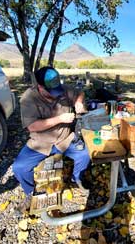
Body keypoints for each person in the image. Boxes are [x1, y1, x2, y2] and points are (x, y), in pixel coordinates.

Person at [13, 66, 90, 213]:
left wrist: (79, 102)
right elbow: (32, 126)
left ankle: (76, 181)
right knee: (19, 168)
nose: (55, 95)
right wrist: (60, 119)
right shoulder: (28, 98)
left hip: (64, 139)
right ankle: (31, 192)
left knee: (85, 154)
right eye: (51, 92)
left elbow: (80, 93)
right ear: (40, 87)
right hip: (39, 143)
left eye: (57, 91)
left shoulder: (62, 89)